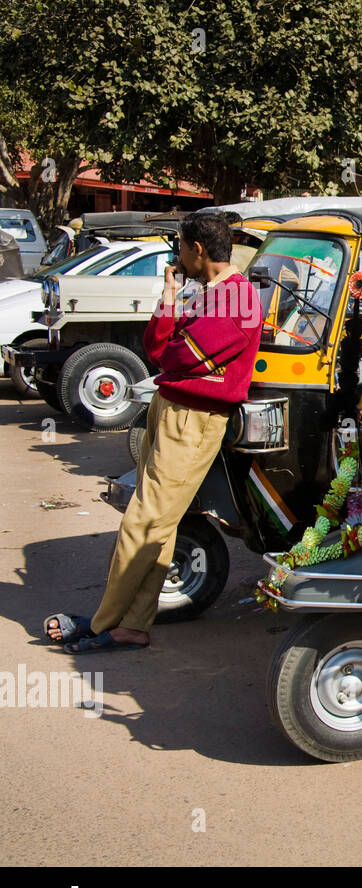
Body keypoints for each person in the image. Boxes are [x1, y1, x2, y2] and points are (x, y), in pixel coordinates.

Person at [43, 213, 264, 652]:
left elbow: (174, 357)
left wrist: (173, 332)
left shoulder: (237, 299)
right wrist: (168, 295)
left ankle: (104, 620)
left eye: (181, 248)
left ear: (197, 250)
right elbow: (158, 345)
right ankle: (133, 625)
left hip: (193, 420)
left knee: (143, 523)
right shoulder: (210, 295)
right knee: (160, 525)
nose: (178, 257)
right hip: (172, 412)